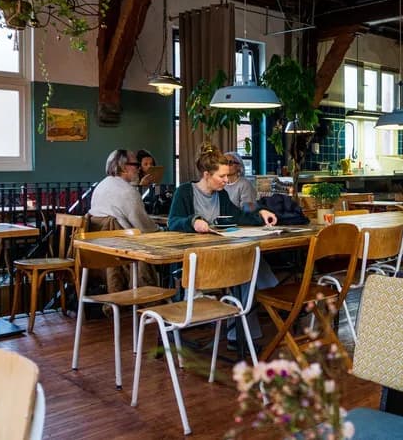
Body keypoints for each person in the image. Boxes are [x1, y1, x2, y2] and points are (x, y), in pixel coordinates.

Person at [168, 144, 277, 346]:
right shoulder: (184, 192)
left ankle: (240, 335)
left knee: (249, 260)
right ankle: (275, 298)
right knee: (247, 266)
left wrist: (261, 213)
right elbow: (172, 222)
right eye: (222, 177)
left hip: (221, 257)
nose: (227, 181)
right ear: (207, 174)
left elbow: (239, 216)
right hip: (195, 263)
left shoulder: (222, 196)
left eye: (227, 176)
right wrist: (192, 222)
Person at [88, 149, 161, 293]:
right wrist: (162, 229)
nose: (138, 168)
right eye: (135, 164)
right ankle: (151, 297)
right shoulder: (127, 191)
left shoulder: (101, 186)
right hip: (123, 252)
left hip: (100, 251)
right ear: (123, 167)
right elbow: (145, 227)